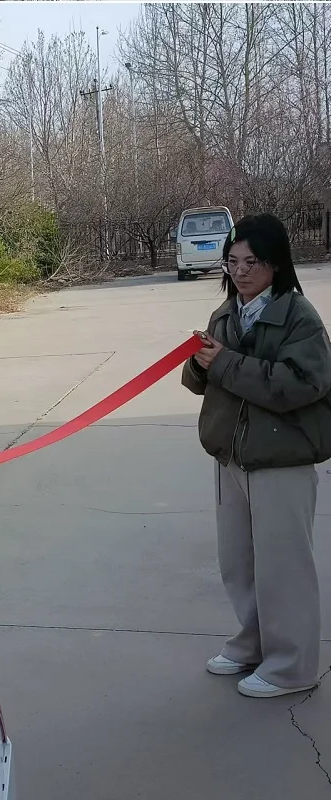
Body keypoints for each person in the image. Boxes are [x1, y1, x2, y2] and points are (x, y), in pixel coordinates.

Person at [182, 212, 331, 698]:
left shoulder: (299, 317)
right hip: (232, 456)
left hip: (281, 459)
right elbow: (203, 383)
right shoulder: (226, 313)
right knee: (239, 562)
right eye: (233, 261)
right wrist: (198, 364)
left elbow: (301, 385)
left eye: (253, 261)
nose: (241, 271)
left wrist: (224, 362)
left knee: (284, 567)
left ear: (276, 263)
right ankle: (253, 644)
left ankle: (292, 667)